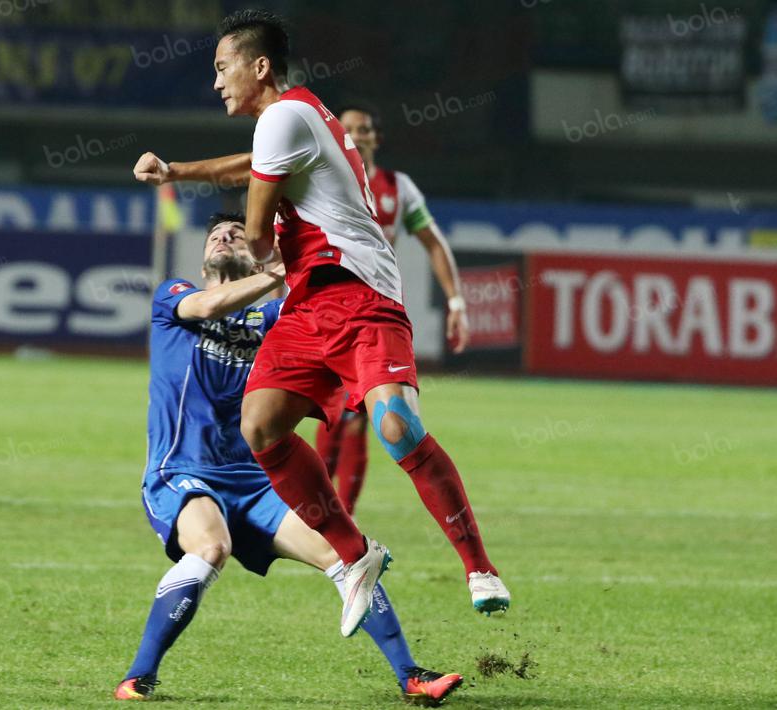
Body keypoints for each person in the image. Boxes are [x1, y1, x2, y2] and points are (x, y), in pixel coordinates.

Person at [131, 9, 509, 621]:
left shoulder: (283, 117)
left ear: (260, 67)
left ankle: (479, 567)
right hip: (309, 304)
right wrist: (177, 172)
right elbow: (250, 165)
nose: (217, 81)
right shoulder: (290, 119)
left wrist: (263, 257)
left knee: (396, 427)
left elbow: (256, 232)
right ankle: (353, 554)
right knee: (260, 426)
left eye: (223, 67)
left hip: (360, 293)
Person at [117, 212, 462, 706]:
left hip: (260, 483)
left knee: (348, 555)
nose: (224, 236)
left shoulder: (281, 319)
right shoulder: (174, 297)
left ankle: (411, 676)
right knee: (211, 547)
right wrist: (275, 272)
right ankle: (137, 677)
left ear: (258, 251)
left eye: (237, 233)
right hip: (183, 473)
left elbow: (334, 320)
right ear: (204, 256)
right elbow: (208, 305)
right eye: (216, 234)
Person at [313, 105, 470, 516]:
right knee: (332, 414)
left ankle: (339, 517)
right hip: (325, 313)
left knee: (359, 418)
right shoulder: (319, 179)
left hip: (373, 317)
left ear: (376, 138)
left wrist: (456, 301)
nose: (355, 134)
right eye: (346, 128)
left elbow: (434, 242)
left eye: (364, 129)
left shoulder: (398, 189)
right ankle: (319, 515)